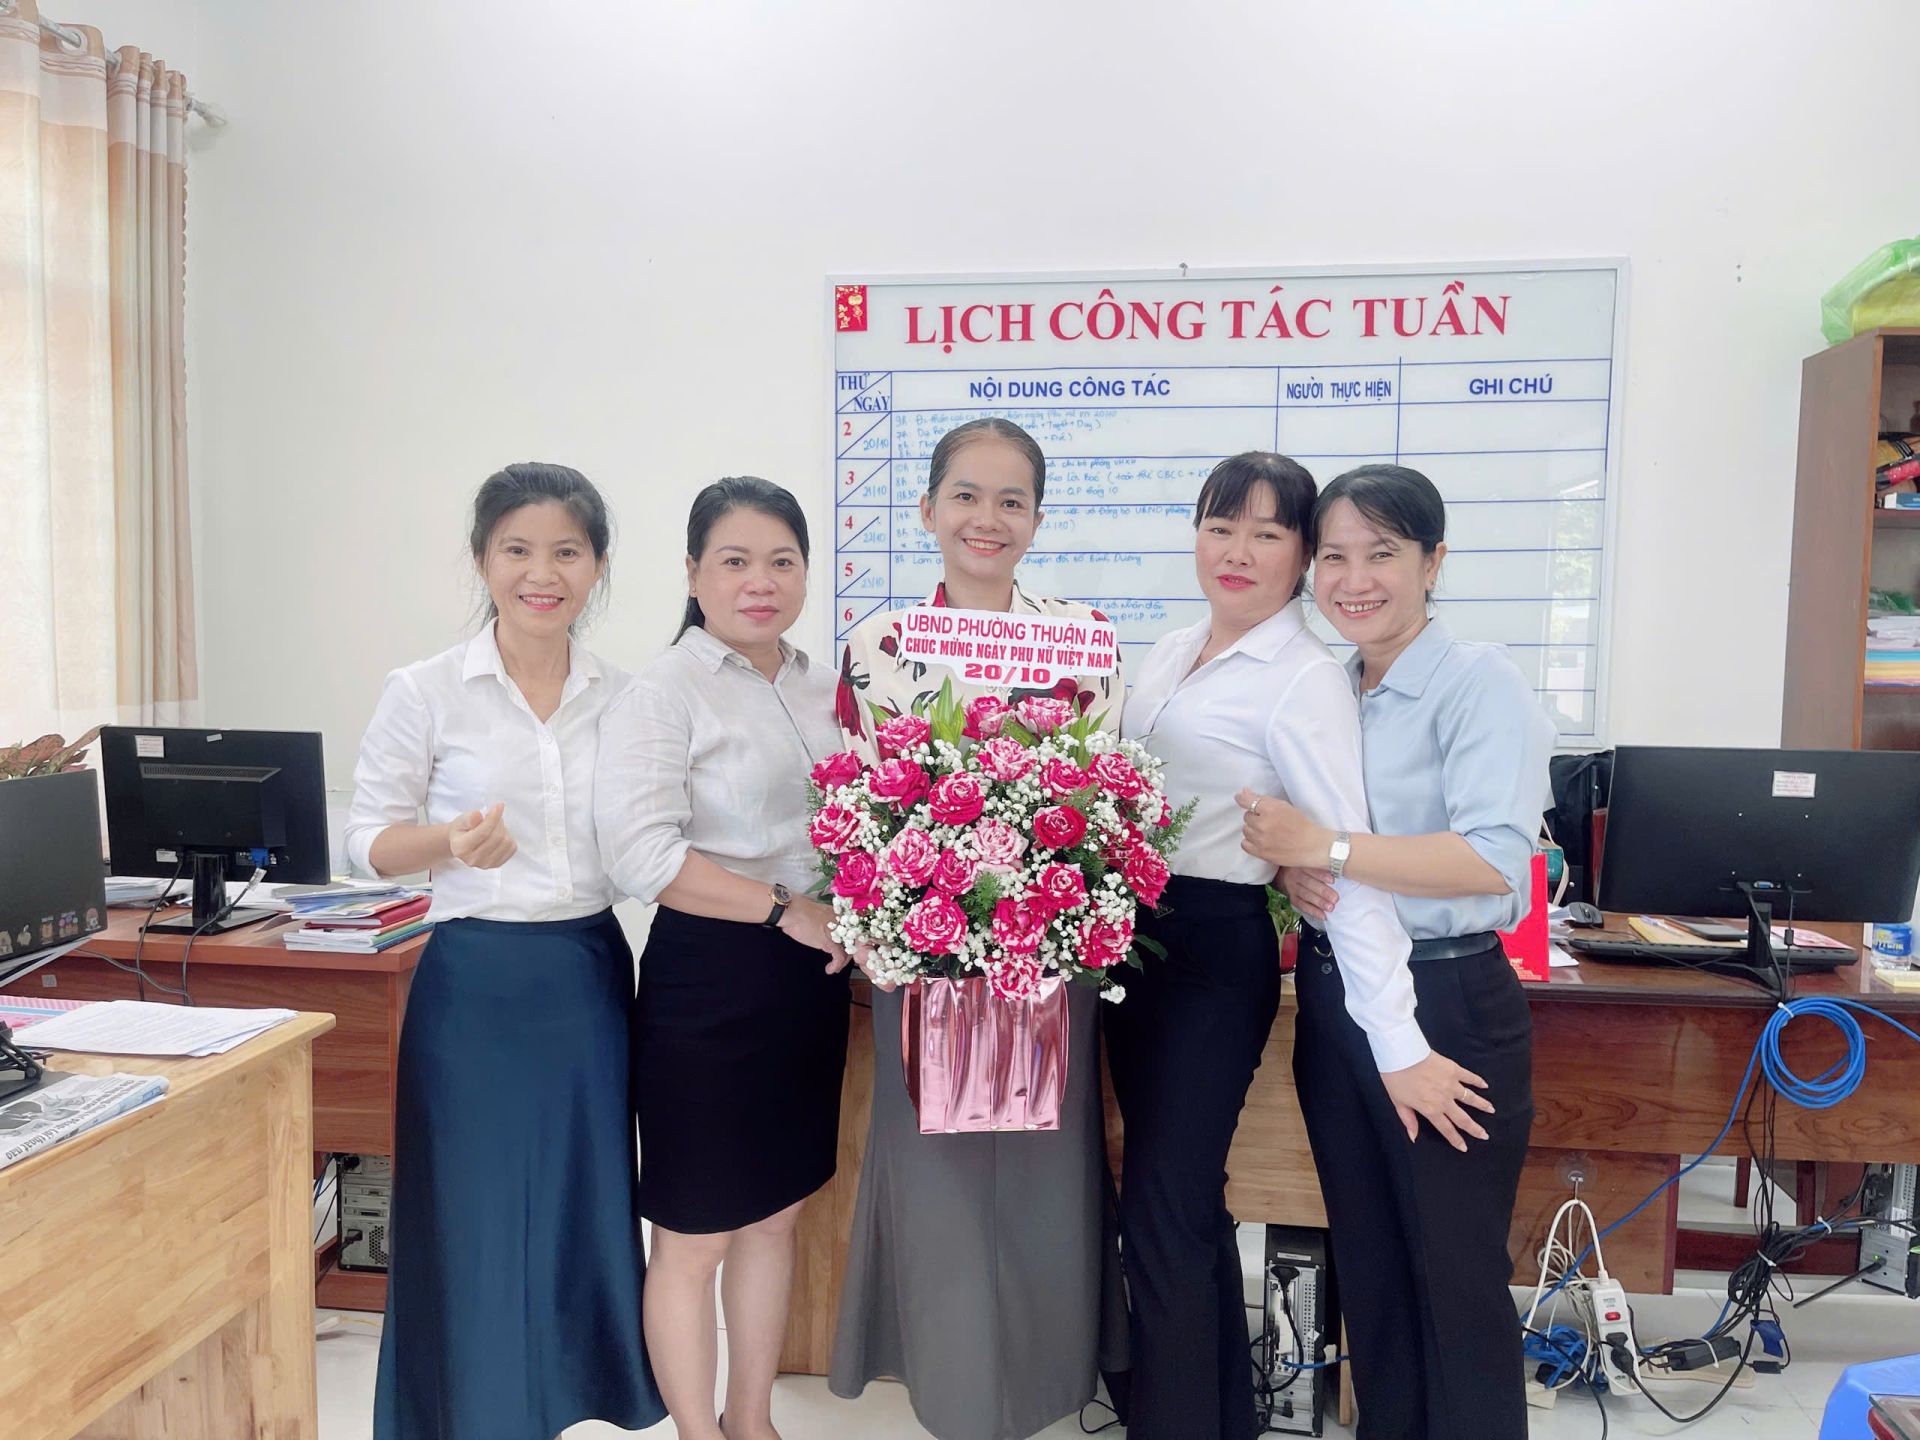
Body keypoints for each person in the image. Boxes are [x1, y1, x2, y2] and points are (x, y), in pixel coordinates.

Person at [1110, 451, 1444, 1440]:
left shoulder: (1303, 680)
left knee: (1164, 1203)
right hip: (1134, 945)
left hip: (1213, 952)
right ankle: (1217, 1417)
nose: (1238, 551)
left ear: (1302, 556)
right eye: (1221, 527)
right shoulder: (1169, 651)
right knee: (1179, 1201)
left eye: (1267, 533)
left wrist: (1397, 1038)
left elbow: (1345, 864)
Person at [346, 462, 665, 1440]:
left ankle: (566, 1401)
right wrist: (447, 843)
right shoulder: (427, 691)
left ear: (597, 565)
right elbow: (365, 841)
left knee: (576, 1203)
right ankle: (473, 1414)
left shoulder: (627, 697)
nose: (542, 572)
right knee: (474, 1214)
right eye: (517, 549)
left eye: (567, 551)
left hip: (587, 976)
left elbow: (651, 838)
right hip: (472, 985)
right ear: (483, 560)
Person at [1237, 462, 1554, 1440]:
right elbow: (1317, 846)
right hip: (1337, 1001)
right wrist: (1296, 870)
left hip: (1445, 1005)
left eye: (1381, 553)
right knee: (1371, 1273)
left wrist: (1326, 849)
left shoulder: (1477, 681)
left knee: (1452, 1281)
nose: (1353, 579)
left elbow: (1492, 862)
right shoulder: (1329, 686)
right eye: (1333, 556)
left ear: (1433, 562)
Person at [828, 417, 1127, 1440]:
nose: (986, 518)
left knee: (1045, 1179)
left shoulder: (1084, 638)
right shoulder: (878, 646)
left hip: (1051, 960)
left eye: (1011, 500)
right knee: (940, 1180)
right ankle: (951, 1390)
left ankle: (1043, 1387)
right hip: (924, 962)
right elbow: (856, 805)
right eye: (966, 495)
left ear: (1038, 519)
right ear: (928, 509)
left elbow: (1104, 801)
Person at [597, 476, 850, 1440]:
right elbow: (642, 856)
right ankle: (698, 1435)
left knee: (774, 1216)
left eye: (782, 561)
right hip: (708, 979)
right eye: (735, 560)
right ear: (694, 572)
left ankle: (752, 1421)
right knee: (694, 1233)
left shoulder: (826, 687)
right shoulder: (663, 691)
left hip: (808, 981)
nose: (760, 581)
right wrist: (785, 909)